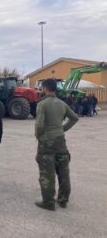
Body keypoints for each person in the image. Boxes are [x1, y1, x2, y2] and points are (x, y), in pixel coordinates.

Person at [35, 79, 79, 211]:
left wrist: (39, 136)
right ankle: (63, 200)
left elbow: (39, 124)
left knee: (47, 172)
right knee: (63, 171)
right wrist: (62, 129)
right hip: (61, 141)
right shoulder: (62, 103)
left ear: (46, 88)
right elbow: (75, 118)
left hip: (47, 142)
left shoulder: (42, 104)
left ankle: (48, 202)